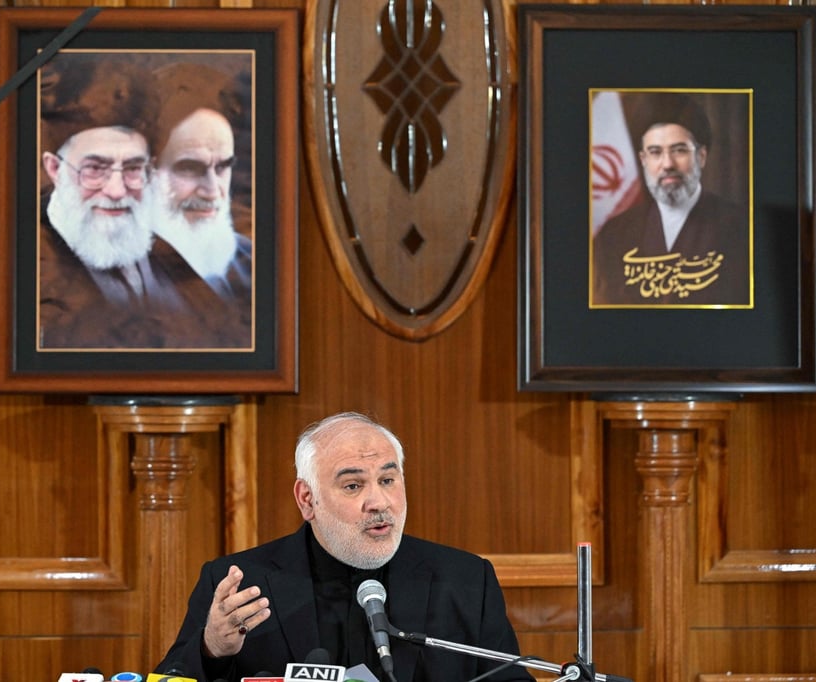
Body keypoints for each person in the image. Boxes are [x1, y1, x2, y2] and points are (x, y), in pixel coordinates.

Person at [154, 412, 534, 682]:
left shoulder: (467, 580)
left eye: (388, 479)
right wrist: (212, 649)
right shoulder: (238, 584)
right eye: (353, 486)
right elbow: (171, 677)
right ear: (307, 500)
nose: (379, 502)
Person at [592, 93, 749, 306]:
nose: (667, 164)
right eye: (655, 152)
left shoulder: (743, 229)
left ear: (701, 157)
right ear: (643, 160)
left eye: (679, 150)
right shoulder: (612, 235)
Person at [139, 64, 253, 349]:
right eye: (190, 168)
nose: (213, 190)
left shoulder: (250, 262)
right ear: (145, 171)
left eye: (223, 167)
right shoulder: (110, 276)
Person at [39, 124, 165, 348]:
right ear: (55, 169)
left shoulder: (165, 251)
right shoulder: (22, 258)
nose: (116, 191)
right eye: (95, 169)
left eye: (133, 168)